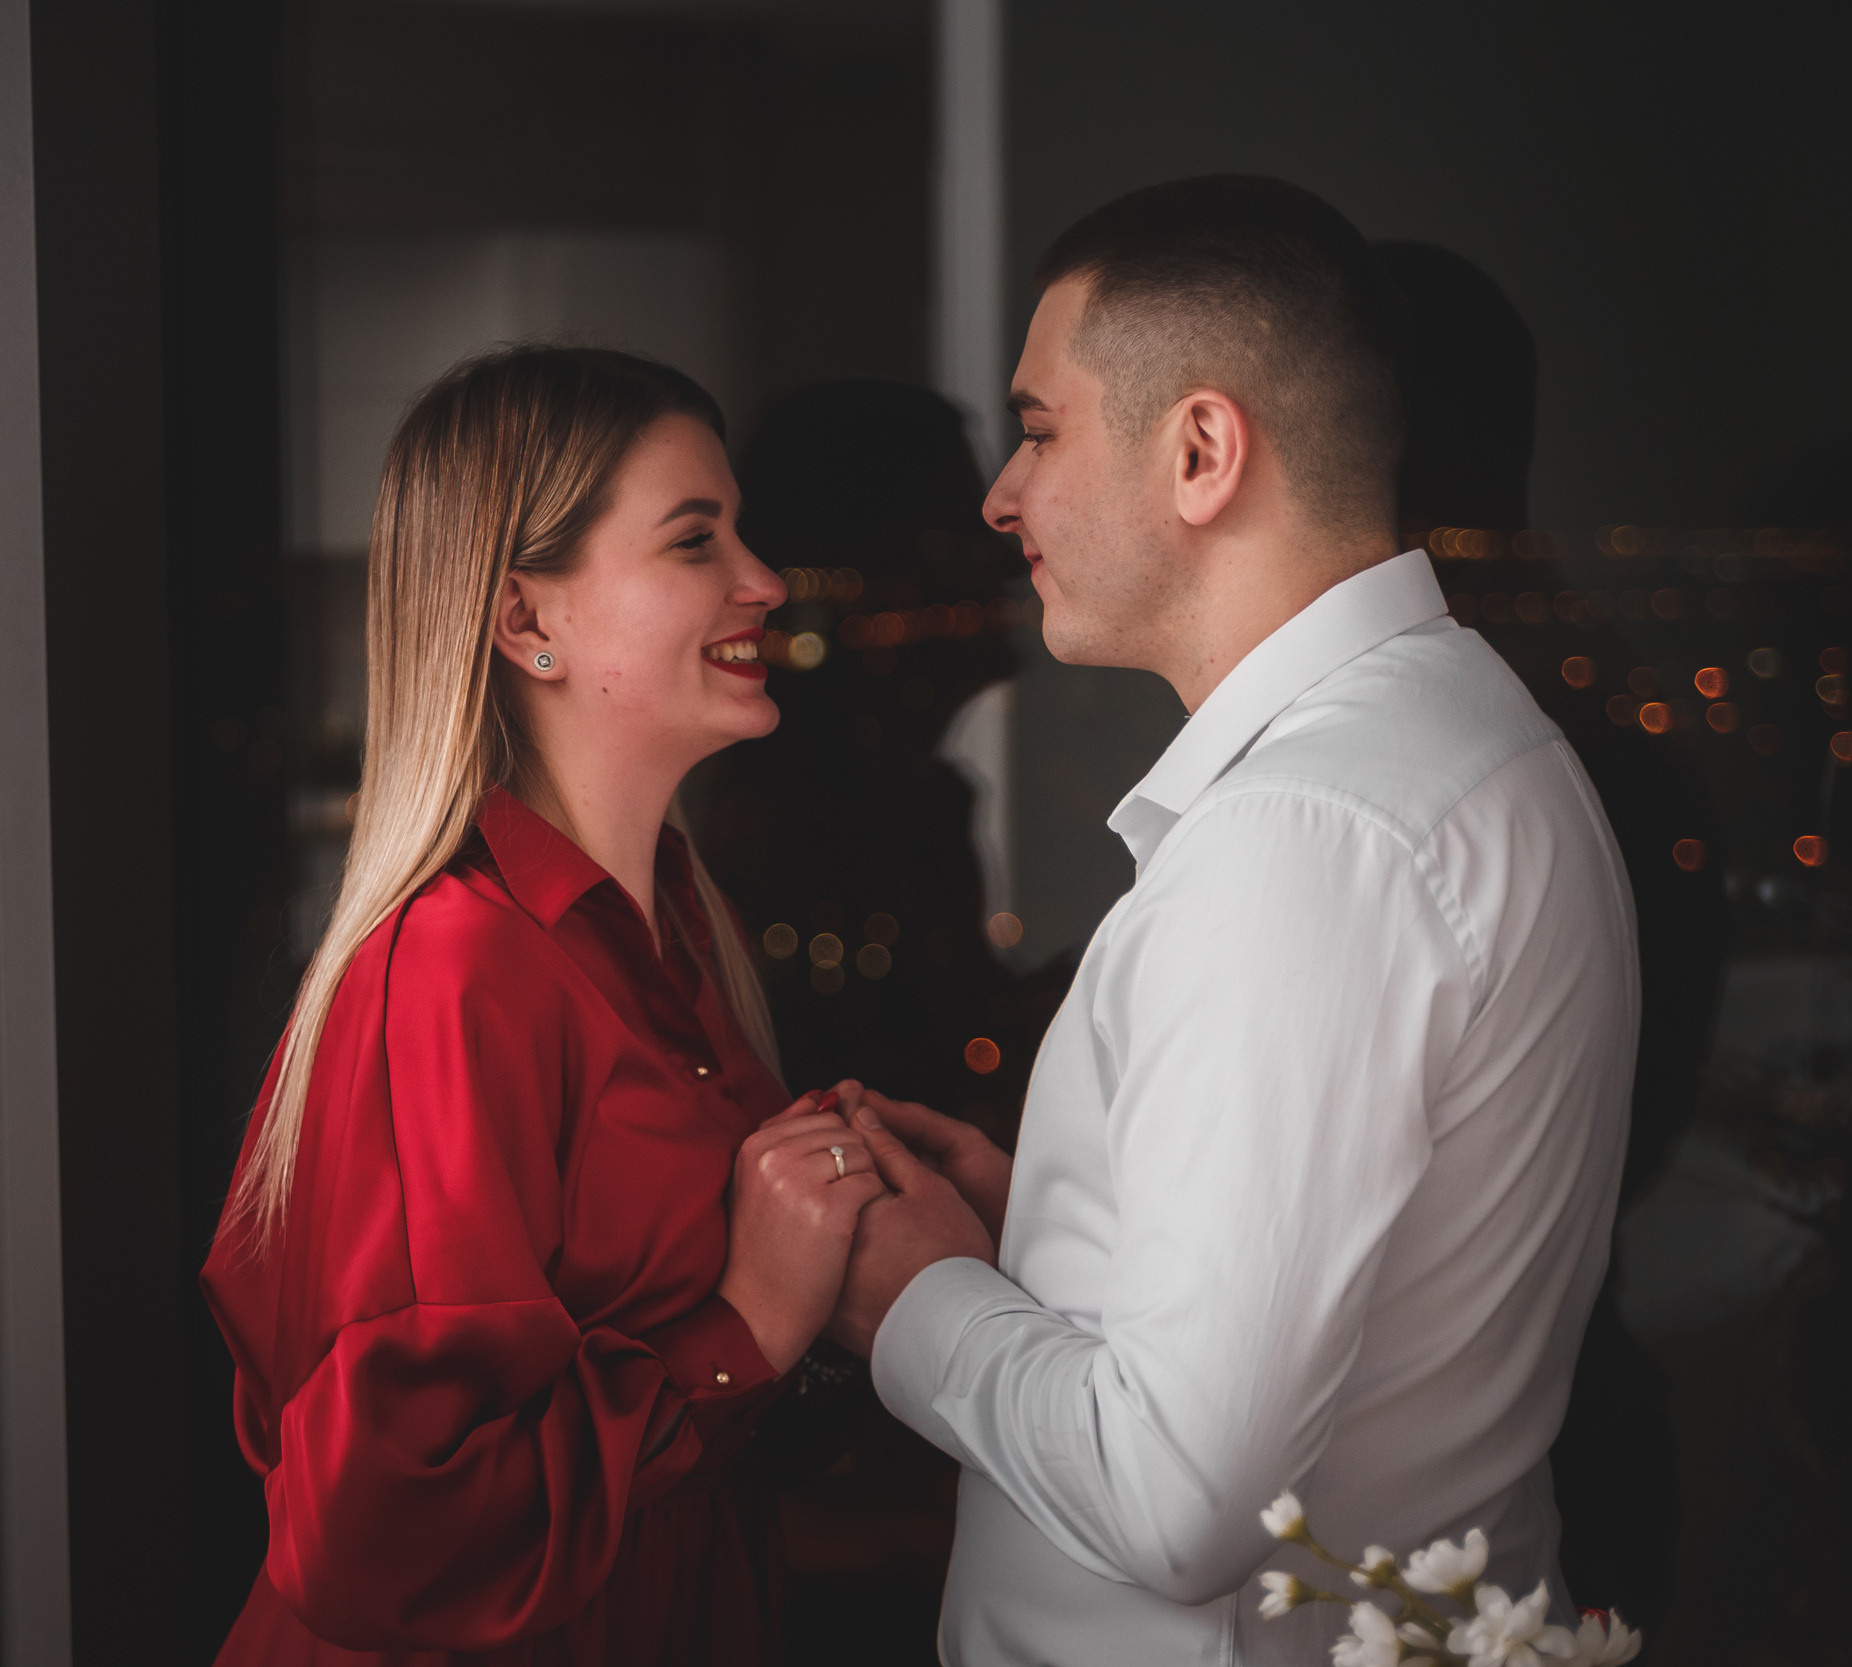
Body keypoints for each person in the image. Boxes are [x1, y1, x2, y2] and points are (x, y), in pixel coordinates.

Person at [824, 176, 1641, 1664]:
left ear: (1202, 451)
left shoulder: (1304, 836)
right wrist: (1052, 1236)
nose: (1002, 495)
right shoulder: (1471, 739)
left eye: (1041, 430)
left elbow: (1180, 1502)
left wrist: (911, 1296)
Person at [200, 345, 888, 1664]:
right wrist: (750, 1322)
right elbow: (380, 1531)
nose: (763, 581)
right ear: (526, 621)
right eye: (696, 540)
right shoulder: (457, 967)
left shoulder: (679, 927)